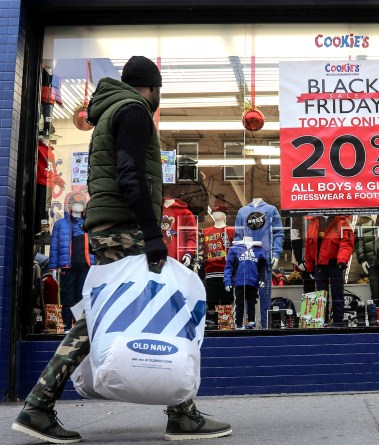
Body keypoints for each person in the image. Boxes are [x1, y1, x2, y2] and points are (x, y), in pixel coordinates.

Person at [12, 56, 231, 444]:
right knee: (171, 300)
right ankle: (181, 413)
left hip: (109, 225)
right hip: (126, 227)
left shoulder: (109, 112)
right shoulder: (133, 111)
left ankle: (39, 405)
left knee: (100, 313)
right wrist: (152, 234)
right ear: (152, 86)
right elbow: (130, 173)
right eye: (158, 90)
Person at [49, 201, 94, 331]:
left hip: (86, 267)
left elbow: (95, 246)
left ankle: (79, 329)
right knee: (67, 297)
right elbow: (54, 246)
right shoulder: (60, 224)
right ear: (69, 207)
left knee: (82, 298)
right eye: (75, 202)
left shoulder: (89, 224)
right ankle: (67, 326)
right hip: (67, 267)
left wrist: (97, 265)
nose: (78, 204)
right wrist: (53, 267)